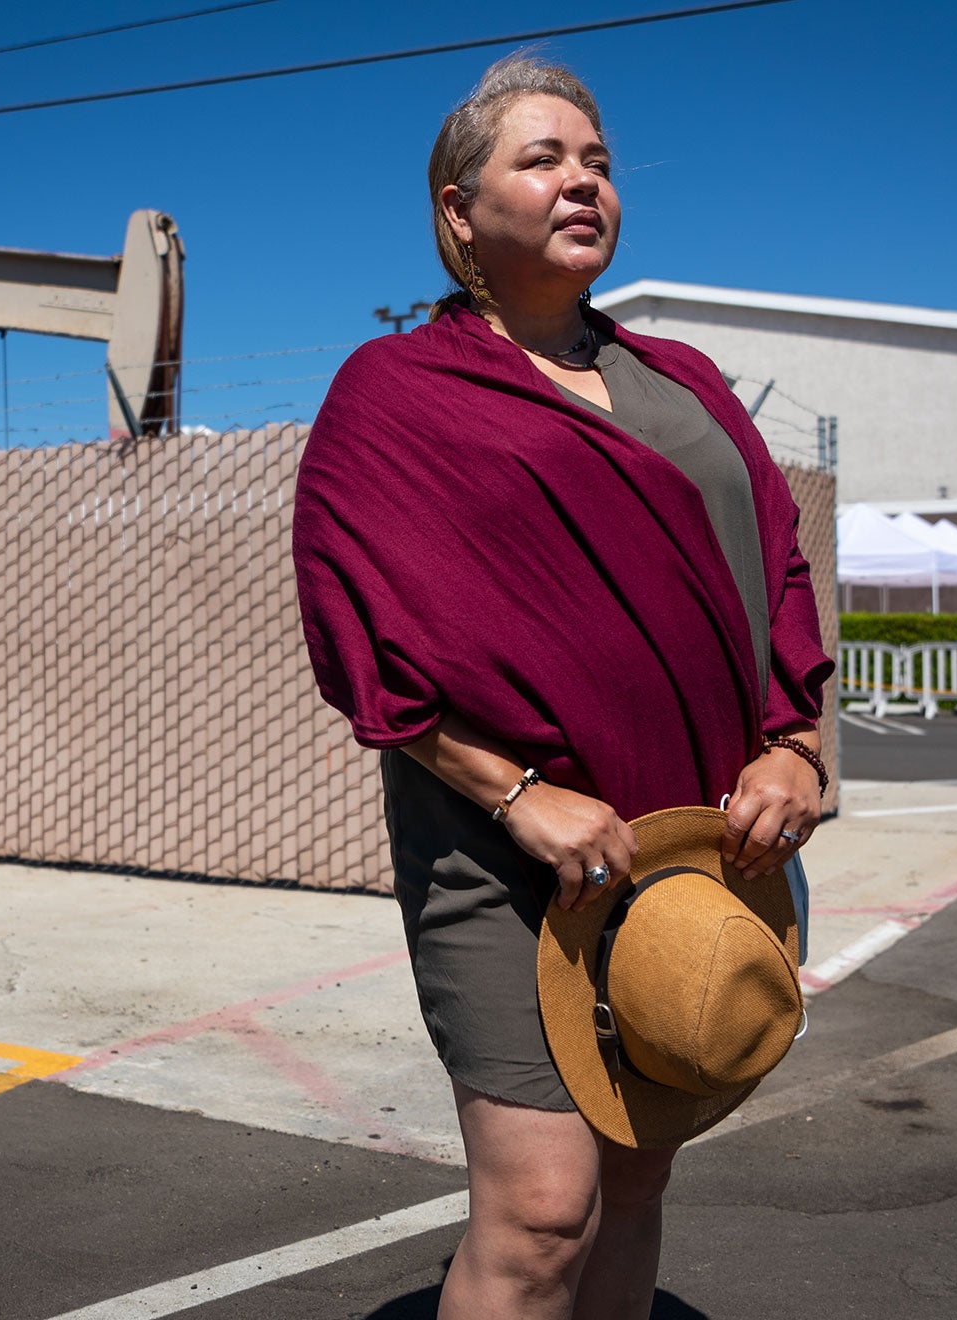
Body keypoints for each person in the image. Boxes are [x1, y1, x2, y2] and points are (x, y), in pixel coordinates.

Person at [292, 53, 833, 1320]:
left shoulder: (686, 382)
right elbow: (353, 623)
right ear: (457, 211)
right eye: (541, 159)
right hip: (503, 853)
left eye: (595, 161)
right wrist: (518, 791)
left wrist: (794, 745)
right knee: (542, 1209)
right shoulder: (397, 393)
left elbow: (780, 566)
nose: (582, 179)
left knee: (636, 1186)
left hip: (695, 852)